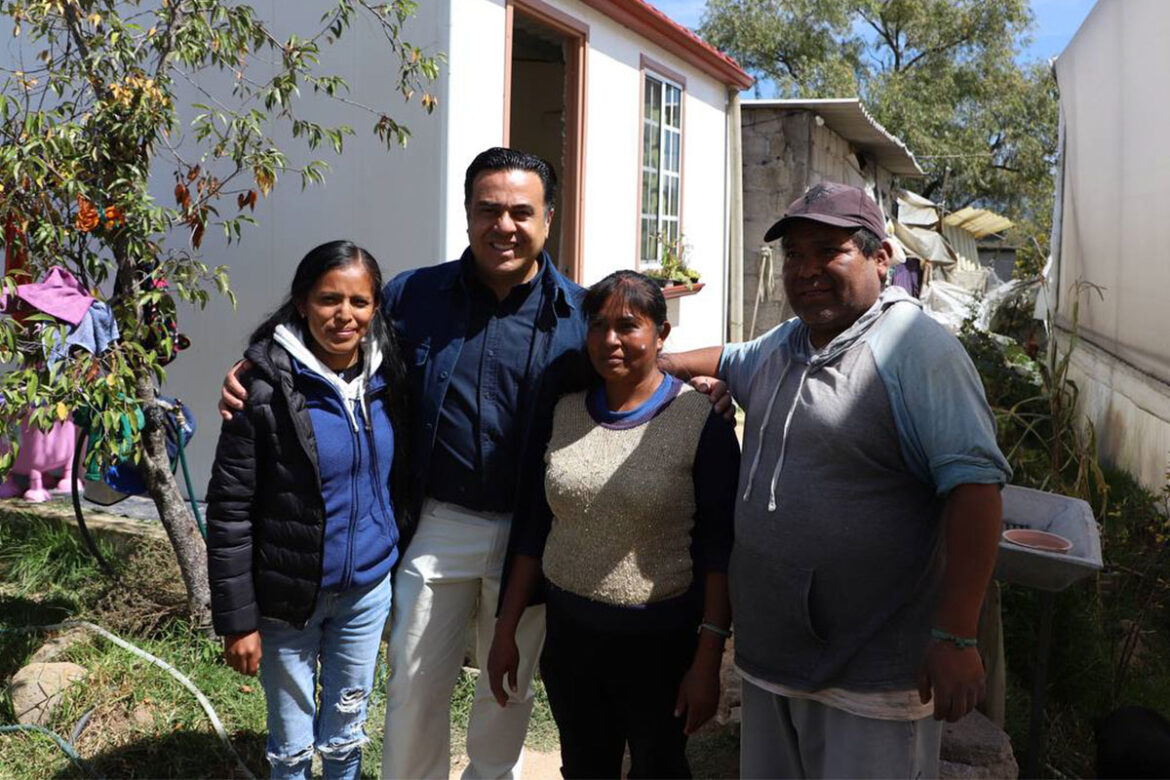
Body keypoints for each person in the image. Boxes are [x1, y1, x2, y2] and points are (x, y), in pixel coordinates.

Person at [221, 148, 592, 779]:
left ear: (548, 219)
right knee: (415, 681)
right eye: (488, 210)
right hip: (439, 520)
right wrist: (256, 367)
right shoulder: (415, 296)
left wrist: (707, 386)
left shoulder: (579, 316)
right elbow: (333, 332)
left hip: (533, 532)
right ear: (468, 214)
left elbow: (631, 371)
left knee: (508, 686)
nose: (503, 225)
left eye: (521, 212)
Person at [662, 181, 1012, 779]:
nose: (806, 270)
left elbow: (976, 490)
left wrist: (957, 635)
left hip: (871, 680)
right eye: (794, 254)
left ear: (881, 258)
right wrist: (651, 370)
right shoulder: (786, 343)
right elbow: (724, 359)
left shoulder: (914, 350)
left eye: (829, 251)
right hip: (772, 659)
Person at [487, 270, 739, 778]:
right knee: (584, 767)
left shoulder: (699, 419)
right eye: (598, 326)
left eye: (627, 326)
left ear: (661, 334)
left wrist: (708, 658)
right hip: (571, 640)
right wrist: (505, 629)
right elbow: (536, 529)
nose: (610, 340)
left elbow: (720, 548)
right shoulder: (564, 410)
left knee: (659, 768)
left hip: (660, 645)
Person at [206, 240, 413, 780]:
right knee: (292, 747)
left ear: (375, 308)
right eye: (328, 299)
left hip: (366, 594)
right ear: (302, 302)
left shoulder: (390, 378)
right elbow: (229, 510)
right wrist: (237, 621)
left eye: (359, 302)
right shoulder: (262, 389)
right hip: (287, 600)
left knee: (346, 735)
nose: (344, 315)